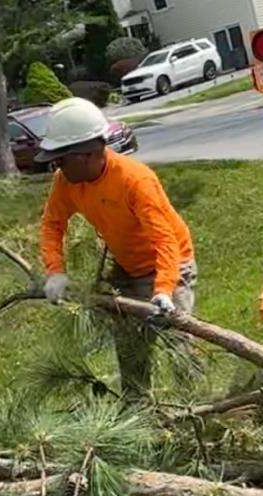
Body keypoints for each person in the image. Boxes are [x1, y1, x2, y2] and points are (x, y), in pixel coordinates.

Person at [37, 98, 195, 395]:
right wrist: (55, 271)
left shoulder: (135, 180)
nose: (54, 167)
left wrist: (163, 290)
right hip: (127, 267)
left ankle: (195, 408)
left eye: (60, 159)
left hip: (171, 264)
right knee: (129, 347)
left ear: (87, 155)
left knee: (179, 343)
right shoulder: (66, 181)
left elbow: (165, 240)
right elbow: (52, 224)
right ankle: (137, 409)